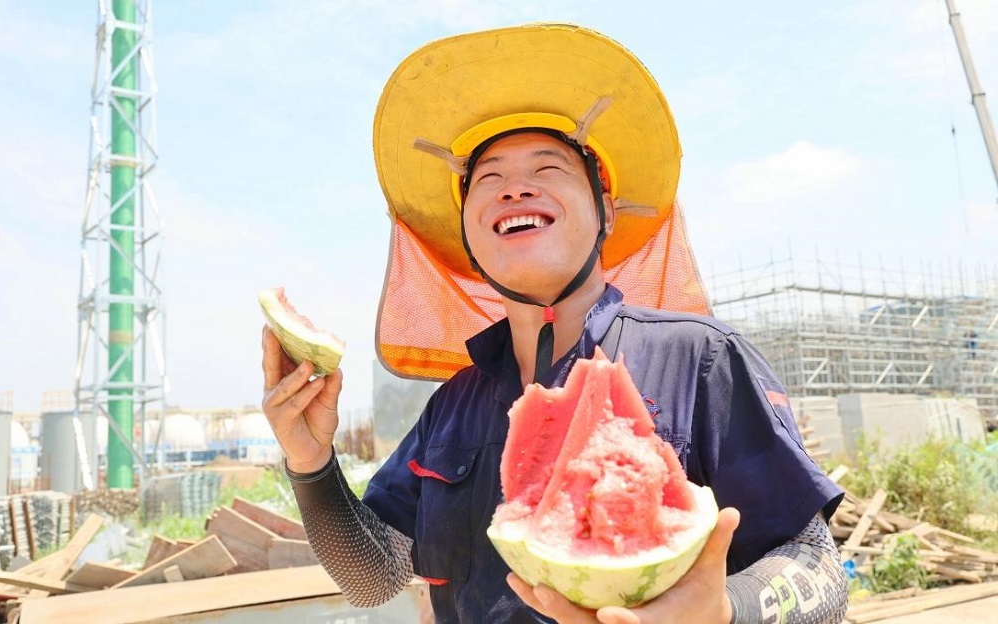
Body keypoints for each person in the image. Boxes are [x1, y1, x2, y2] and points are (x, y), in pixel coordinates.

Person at [262, 23, 848, 624]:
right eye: (488, 178)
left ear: (605, 213)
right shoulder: (452, 405)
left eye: (547, 169)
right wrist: (311, 463)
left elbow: (819, 568)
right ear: (470, 235)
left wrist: (725, 611)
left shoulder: (701, 359)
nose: (515, 189)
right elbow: (372, 576)